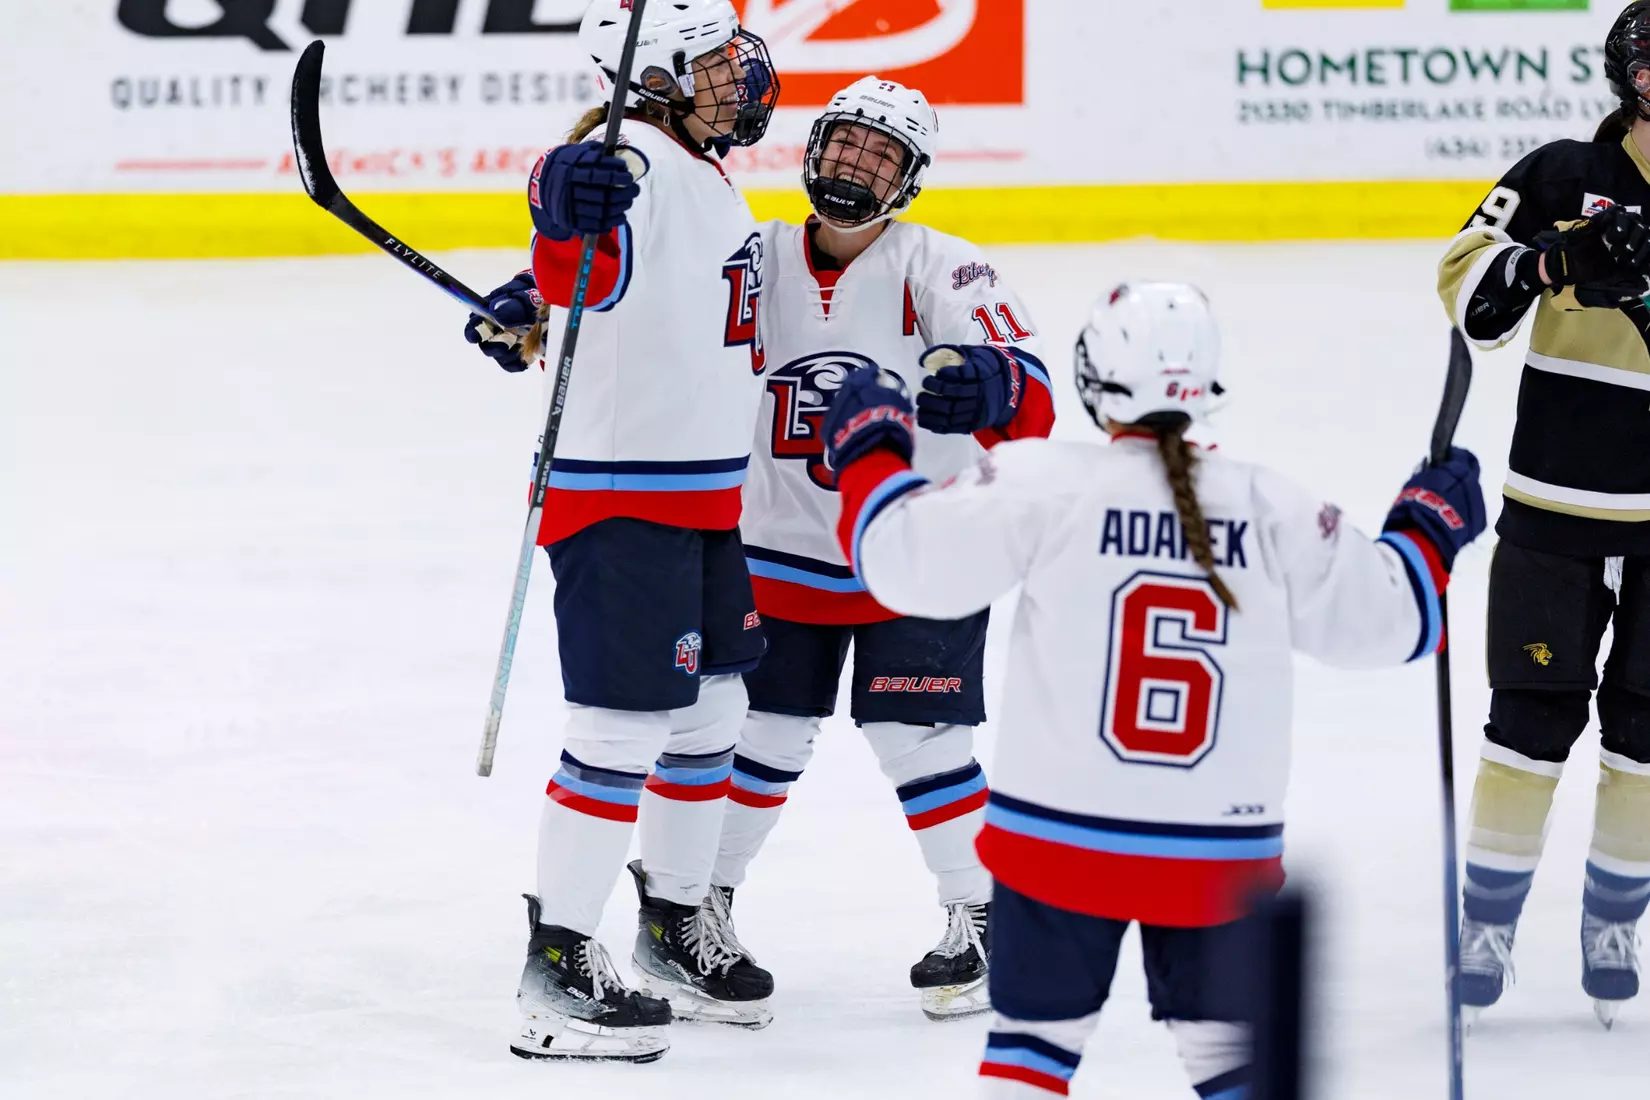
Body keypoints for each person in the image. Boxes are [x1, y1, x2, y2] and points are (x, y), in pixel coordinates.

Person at [817, 283, 1486, 1098]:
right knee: (1232, 1060)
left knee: (1031, 1052)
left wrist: (870, 449)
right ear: (1204, 388)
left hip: (1057, 843)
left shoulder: (1046, 481)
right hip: (1216, 857)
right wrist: (1427, 528)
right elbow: (1395, 622)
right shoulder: (1269, 502)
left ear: (1096, 380)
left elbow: (902, 563)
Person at [463, 0, 782, 1062]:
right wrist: (557, 218)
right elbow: (579, 244)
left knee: (715, 710)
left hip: (701, 496)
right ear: (649, 76)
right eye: (712, 65)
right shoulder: (626, 156)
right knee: (620, 729)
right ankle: (556, 964)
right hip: (622, 495)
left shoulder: (700, 167)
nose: (736, 80)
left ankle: (671, 927)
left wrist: (530, 292)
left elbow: (634, 295)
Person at [708, 76, 1054, 1021]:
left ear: (909, 178)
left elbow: (1035, 402)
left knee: (920, 736)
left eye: (880, 152)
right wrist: (543, 291)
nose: (855, 163)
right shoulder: (751, 254)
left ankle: (985, 917)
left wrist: (989, 383)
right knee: (761, 735)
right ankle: (701, 904)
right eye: (844, 143)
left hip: (919, 542)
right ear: (813, 149)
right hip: (775, 548)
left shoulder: (945, 266)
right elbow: (644, 304)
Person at [1436, 0, 1650, 1029]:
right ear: (1629, 72)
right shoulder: (1563, 172)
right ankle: (1487, 922)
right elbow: (1465, 289)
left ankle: (1614, 919)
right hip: (1554, 502)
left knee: (1648, 735)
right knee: (1527, 722)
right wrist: (1553, 261)